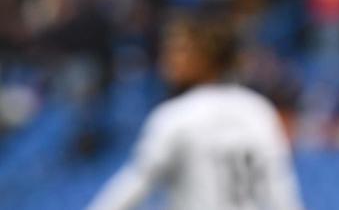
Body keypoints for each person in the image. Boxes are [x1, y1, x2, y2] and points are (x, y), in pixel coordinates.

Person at [88, 16, 302, 210]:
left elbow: (134, 184)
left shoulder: (176, 116)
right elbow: (281, 192)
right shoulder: (258, 110)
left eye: (179, 51)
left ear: (207, 57)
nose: (168, 61)